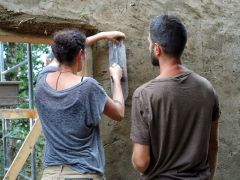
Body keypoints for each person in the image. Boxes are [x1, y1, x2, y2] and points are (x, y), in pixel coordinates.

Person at [130, 15, 221, 180]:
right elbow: (213, 145)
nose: (149, 47)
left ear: (157, 49)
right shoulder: (207, 89)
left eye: (149, 43)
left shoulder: (144, 95)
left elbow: (141, 162)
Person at [35, 29, 125, 180]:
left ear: (57, 54)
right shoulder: (88, 87)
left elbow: (64, 51)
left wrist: (101, 36)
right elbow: (119, 112)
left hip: (51, 174)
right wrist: (116, 79)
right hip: (82, 173)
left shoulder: (42, 81)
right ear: (80, 55)